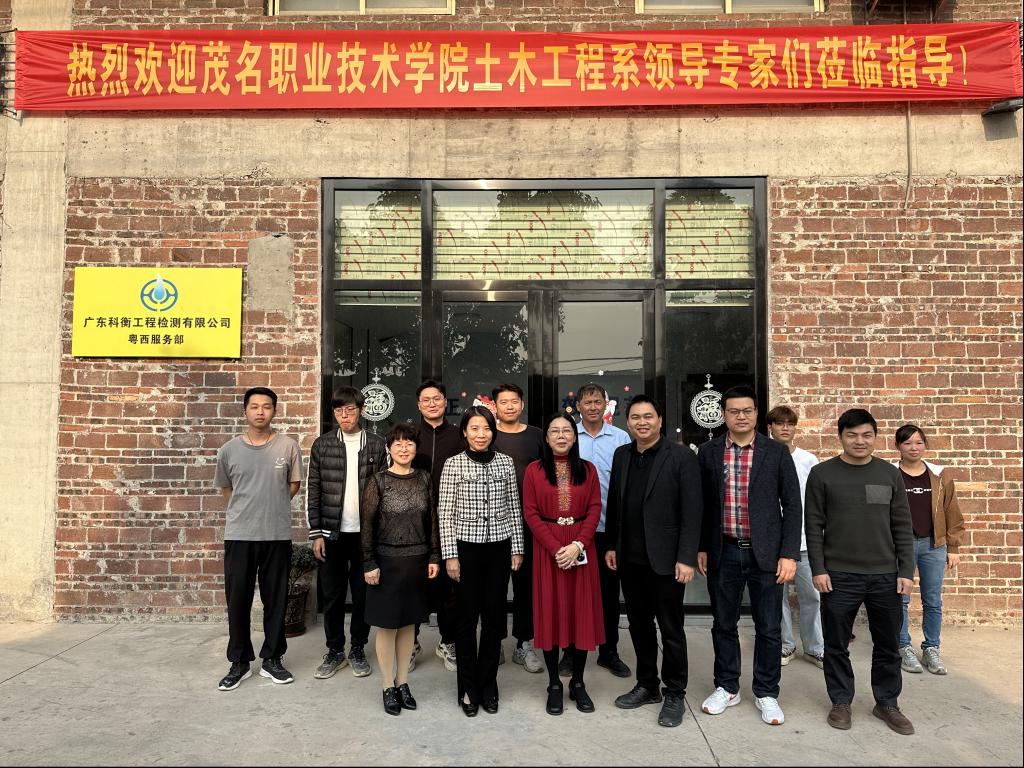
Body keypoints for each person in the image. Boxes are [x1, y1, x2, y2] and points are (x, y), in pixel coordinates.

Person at [805, 408, 916, 735]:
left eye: (867, 434)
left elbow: (902, 525)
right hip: (839, 575)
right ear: (840, 437)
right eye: (851, 435)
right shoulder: (822, 474)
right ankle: (841, 701)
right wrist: (818, 568)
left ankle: (887, 703)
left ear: (875, 437)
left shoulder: (889, 474)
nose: (859, 441)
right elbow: (813, 525)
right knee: (836, 644)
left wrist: (906, 570)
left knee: (888, 644)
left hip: (885, 575)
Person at [697, 386, 802, 726]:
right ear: (723, 415)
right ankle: (727, 687)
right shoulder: (709, 452)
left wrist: (789, 554)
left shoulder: (776, 452)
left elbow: (793, 505)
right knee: (723, 623)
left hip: (767, 554)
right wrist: (701, 546)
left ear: (756, 413)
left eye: (747, 410)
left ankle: (766, 691)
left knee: (768, 626)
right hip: (724, 550)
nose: (740, 416)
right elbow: (702, 505)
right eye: (733, 411)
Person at [604, 395, 702, 728]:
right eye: (635, 417)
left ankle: (674, 691)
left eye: (648, 416)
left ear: (660, 420)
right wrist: (612, 545)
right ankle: (647, 685)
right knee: (639, 625)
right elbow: (616, 504)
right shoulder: (622, 455)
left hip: (667, 561)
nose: (642, 422)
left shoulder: (681, 456)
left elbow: (693, 510)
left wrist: (686, 557)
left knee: (671, 629)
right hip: (630, 560)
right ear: (627, 422)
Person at [214, 387, 303, 691]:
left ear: (274, 411)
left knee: (276, 600)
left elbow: (293, 485)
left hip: (276, 534)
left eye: (267, 406)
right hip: (239, 535)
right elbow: (227, 490)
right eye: (254, 406)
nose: (260, 412)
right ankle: (239, 662)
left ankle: (272, 658)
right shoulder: (228, 450)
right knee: (237, 600)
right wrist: (247, 510)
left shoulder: (288, 446)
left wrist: (271, 505)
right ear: (245, 411)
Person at [438, 405, 524, 717]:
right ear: (464, 432)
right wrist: (450, 555)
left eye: (486, 428)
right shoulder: (453, 464)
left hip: (499, 548)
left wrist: (517, 548)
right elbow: (445, 513)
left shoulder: (505, 462)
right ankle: (468, 687)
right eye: (474, 428)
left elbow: (514, 507)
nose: (481, 434)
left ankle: (488, 685)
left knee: (493, 619)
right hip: (465, 550)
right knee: (465, 620)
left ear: (493, 431)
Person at [522, 413, 604, 716]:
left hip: (581, 547)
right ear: (546, 438)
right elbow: (530, 513)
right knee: (551, 614)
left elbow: (594, 508)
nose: (560, 436)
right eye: (554, 431)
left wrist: (578, 545)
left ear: (574, 436)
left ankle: (578, 682)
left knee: (580, 614)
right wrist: (557, 548)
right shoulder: (534, 470)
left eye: (566, 431)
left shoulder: (588, 469)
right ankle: (554, 683)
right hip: (548, 549)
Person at [307, 386, 387, 680]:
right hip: (331, 533)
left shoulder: (376, 445)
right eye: (339, 410)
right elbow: (314, 489)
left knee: (363, 594)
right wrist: (316, 533)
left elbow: (384, 490)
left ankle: (357, 648)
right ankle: (334, 650)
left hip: (365, 534)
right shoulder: (322, 445)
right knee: (332, 595)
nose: (345, 415)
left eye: (350, 409)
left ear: (361, 411)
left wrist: (379, 534)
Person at [361, 423, 440, 715]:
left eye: (409, 443)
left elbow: (432, 519)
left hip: (417, 561)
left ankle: (402, 682)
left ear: (416, 448)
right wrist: (368, 562)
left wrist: (434, 556)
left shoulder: (424, 478)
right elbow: (367, 524)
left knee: (408, 623)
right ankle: (387, 685)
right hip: (386, 562)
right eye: (398, 444)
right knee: (387, 625)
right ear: (389, 448)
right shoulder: (378, 481)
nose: (404, 449)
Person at [893, 424, 965, 676]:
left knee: (932, 600)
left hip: (934, 545)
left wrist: (953, 546)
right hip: (900, 546)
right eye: (907, 443)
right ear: (898, 446)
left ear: (925, 445)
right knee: (900, 598)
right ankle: (904, 646)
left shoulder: (939, 475)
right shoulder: (890, 474)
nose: (914, 448)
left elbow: (952, 511)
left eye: (919, 442)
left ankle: (931, 648)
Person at [572, 383, 632, 679]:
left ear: (606, 405)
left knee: (608, 596)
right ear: (578, 406)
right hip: (574, 532)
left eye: (598, 401)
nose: (593, 407)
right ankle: (571, 652)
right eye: (588, 402)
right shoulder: (569, 436)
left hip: (609, 530)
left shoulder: (621, 438)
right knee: (573, 594)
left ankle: (609, 652)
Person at [490, 383, 546, 675]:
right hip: (494, 521)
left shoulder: (536, 435)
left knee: (526, 586)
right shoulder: (488, 433)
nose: (509, 406)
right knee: (495, 585)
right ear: (495, 406)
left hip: (529, 522)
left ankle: (524, 643)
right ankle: (495, 641)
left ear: (522, 405)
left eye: (514, 401)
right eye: (504, 402)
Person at [410, 379, 463, 673]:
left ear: (445, 402)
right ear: (419, 405)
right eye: (426, 400)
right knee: (413, 584)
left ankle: (448, 640)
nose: (432, 403)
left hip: (450, 521)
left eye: (437, 398)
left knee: (449, 587)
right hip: (413, 523)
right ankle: (411, 642)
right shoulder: (409, 436)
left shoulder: (458, 436)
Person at [766, 405, 825, 669]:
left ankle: (814, 647)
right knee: (776, 599)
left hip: (804, 540)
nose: (785, 428)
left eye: (789, 423)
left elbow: (818, 499)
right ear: (770, 427)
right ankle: (785, 644)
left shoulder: (808, 460)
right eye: (779, 423)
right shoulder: (764, 456)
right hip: (772, 542)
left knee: (811, 596)